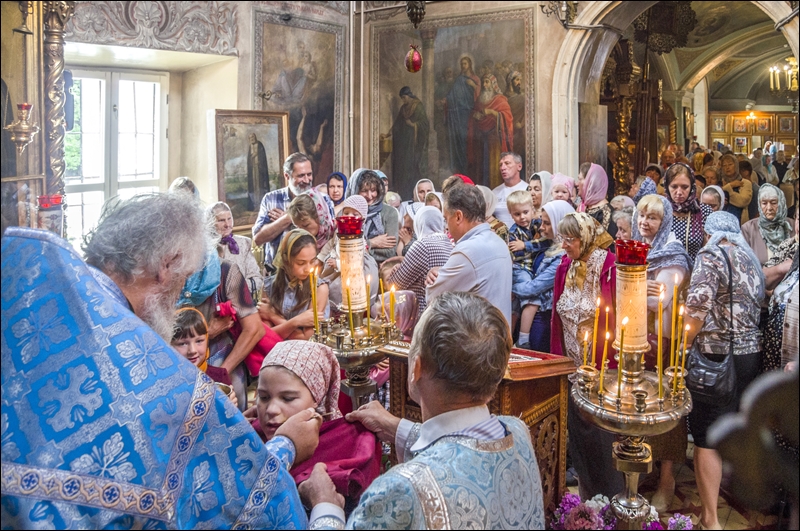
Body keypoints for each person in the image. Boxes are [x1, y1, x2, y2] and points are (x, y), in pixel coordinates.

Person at [0, 194, 320, 528]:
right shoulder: (166, 385)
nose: (181, 295)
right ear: (167, 265)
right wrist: (287, 446)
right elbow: (250, 497)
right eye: (185, 279)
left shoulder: (27, 283)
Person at [298, 292, 545, 529]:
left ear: (416, 367)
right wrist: (396, 428)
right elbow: (466, 454)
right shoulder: (516, 430)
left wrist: (325, 506)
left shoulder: (400, 489)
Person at [683, 211, 765, 531]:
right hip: (749, 357)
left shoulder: (711, 254)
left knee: (706, 436)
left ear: (709, 233)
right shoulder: (750, 257)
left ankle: (711, 519)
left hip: (716, 358)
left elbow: (697, 307)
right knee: (731, 429)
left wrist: (681, 347)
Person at [251, 341, 381, 507]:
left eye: (288, 398)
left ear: (317, 397)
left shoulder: (353, 445)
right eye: (263, 397)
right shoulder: (247, 438)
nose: (272, 409)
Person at [550, 212, 621, 499]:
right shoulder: (565, 267)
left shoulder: (609, 266)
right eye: (562, 238)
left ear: (587, 237)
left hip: (602, 370)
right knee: (578, 437)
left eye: (571, 239)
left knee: (603, 440)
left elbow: (618, 318)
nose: (564, 245)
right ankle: (587, 500)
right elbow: (558, 318)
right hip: (571, 370)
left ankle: (612, 500)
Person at [632, 195, 692, 513]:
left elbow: (660, 302)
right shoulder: (636, 247)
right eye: (642, 215)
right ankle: (648, 468)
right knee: (640, 401)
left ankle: (667, 479)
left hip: (664, 341)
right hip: (638, 337)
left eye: (653, 217)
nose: (645, 222)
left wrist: (633, 285)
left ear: (664, 220)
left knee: (665, 403)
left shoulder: (671, 252)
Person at [427, 182, 513, 324]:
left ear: (459, 217)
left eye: (446, 218)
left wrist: (435, 278)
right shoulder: (498, 241)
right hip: (498, 334)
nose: (446, 227)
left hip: (476, 339)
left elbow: (433, 297)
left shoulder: (467, 251)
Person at [511, 199, 575, 352]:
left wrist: (512, 290)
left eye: (547, 223)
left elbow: (534, 287)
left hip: (542, 319)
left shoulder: (562, 256)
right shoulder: (549, 244)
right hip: (531, 313)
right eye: (542, 222)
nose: (541, 227)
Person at [261, 229, 330, 341]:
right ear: (286, 260)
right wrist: (298, 322)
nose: (308, 269)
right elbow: (264, 334)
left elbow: (307, 338)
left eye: (312, 261)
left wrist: (273, 316)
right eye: (301, 263)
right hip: (275, 350)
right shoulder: (269, 286)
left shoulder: (319, 289)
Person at [387, 205, 453, 315]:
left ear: (419, 222)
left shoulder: (423, 245)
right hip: (443, 310)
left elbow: (395, 284)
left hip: (422, 312)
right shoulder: (447, 242)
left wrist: (396, 272)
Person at [253, 152, 314, 268]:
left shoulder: (320, 200)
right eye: (301, 176)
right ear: (287, 176)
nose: (306, 180)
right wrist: (288, 218)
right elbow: (258, 238)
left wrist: (287, 221)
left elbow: (323, 236)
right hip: (275, 273)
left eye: (309, 174)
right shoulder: (270, 199)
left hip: (309, 270)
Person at [171, 307, 238, 407]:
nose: (192, 350)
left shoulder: (219, 376)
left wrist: (232, 408)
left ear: (207, 339)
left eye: (199, 341)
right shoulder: (166, 381)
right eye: (183, 344)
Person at [507, 190, 549, 348]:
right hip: (521, 268)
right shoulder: (513, 232)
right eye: (517, 214)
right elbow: (516, 252)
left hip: (533, 268)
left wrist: (525, 245)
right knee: (532, 299)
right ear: (511, 215)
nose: (522, 217)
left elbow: (546, 242)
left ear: (533, 209)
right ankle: (523, 339)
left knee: (519, 305)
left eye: (525, 212)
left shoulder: (538, 223)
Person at [762, 209, 798, 373]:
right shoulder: (792, 248)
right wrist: (781, 268)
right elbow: (764, 280)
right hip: (777, 346)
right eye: (798, 218)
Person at [208, 201, 263, 299]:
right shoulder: (205, 247)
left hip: (242, 304)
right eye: (221, 220)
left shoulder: (244, 243)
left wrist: (235, 289)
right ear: (210, 222)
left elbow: (257, 279)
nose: (227, 224)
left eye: (229, 219)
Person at [468, 74, 514, 187]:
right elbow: (474, 114)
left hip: (494, 140)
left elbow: (507, 117)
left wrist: (491, 112)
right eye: (483, 82)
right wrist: (476, 116)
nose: (484, 85)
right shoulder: (480, 100)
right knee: (481, 167)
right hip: (480, 139)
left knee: (494, 167)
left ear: (493, 84)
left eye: (487, 82)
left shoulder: (500, 100)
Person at [382, 87, 430, 197]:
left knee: (411, 167)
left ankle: (413, 192)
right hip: (402, 144)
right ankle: (403, 191)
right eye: (402, 98)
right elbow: (397, 124)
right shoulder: (403, 109)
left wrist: (413, 125)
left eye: (404, 97)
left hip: (413, 144)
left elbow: (425, 124)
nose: (403, 100)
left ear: (409, 95)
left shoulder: (418, 106)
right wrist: (388, 134)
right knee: (402, 168)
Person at [346, 168, 399, 264]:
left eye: (373, 190)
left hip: (383, 268)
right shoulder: (348, 213)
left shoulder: (390, 213)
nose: (370, 196)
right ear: (355, 191)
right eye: (364, 191)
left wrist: (363, 248)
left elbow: (390, 252)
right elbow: (346, 248)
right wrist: (372, 243)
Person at [664, 162, 713, 264]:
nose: (679, 192)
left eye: (684, 187)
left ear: (692, 187)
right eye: (674, 186)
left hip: (696, 274)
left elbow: (712, 249)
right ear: (667, 187)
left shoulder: (703, 212)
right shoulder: (660, 211)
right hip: (665, 273)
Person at [741, 183, 795, 265]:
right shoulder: (748, 229)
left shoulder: (793, 225)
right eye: (764, 203)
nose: (769, 208)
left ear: (781, 203)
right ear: (759, 205)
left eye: (773, 203)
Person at [445, 55, 480, 174]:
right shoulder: (459, 79)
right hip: (457, 115)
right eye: (461, 64)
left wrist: (474, 86)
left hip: (468, 114)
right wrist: (445, 101)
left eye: (465, 64)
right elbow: (452, 95)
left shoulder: (475, 78)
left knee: (467, 140)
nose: (463, 66)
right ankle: (459, 167)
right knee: (458, 140)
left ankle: (468, 167)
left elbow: (480, 96)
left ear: (469, 64)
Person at [286, 188, 337, 261]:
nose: (302, 232)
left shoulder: (337, 236)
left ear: (319, 217)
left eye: (306, 225)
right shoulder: (296, 243)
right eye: (297, 227)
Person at [578, 163, 617, 236]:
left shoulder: (606, 213)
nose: (577, 184)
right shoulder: (583, 206)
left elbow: (603, 243)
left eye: (580, 179)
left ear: (591, 183)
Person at [492, 152, 529, 227]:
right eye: (501, 165)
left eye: (507, 163)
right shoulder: (495, 192)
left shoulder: (528, 190)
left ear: (519, 166)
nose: (503, 168)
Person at [719, 153, 753, 224]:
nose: (727, 167)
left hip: (740, 224)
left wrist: (727, 189)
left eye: (730, 164)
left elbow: (742, 201)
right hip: (722, 222)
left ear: (736, 165)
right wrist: (730, 185)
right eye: (724, 165)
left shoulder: (745, 183)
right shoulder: (719, 182)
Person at [247, 132, 269, 210]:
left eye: (253, 137)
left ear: (255, 137)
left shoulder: (259, 145)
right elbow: (249, 158)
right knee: (254, 186)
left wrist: (257, 155)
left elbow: (262, 155)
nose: (252, 139)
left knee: (260, 186)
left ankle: (261, 203)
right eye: (250, 138)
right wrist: (252, 157)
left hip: (260, 170)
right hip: (253, 169)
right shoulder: (250, 146)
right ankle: (255, 204)